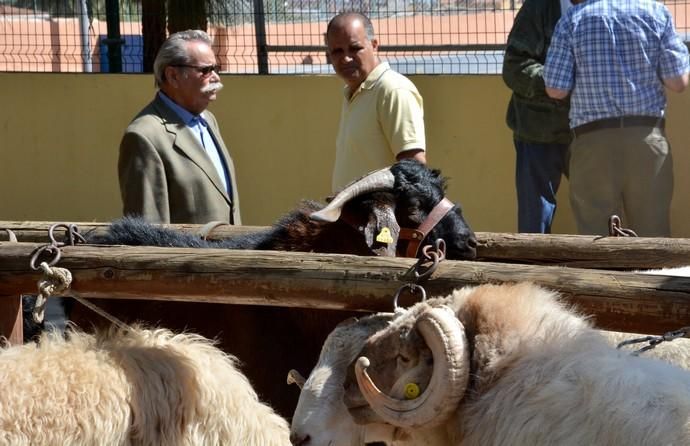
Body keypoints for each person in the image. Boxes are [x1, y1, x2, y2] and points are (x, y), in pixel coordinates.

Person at [544, 0, 689, 237]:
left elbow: (555, 89)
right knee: (653, 236)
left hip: (592, 143)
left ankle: (603, 275)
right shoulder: (656, 12)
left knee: (596, 236)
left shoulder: (573, 19)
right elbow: (678, 82)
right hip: (647, 140)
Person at [119, 29, 241, 224]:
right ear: (173, 76)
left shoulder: (208, 120)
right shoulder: (144, 136)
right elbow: (149, 230)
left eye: (215, 69)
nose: (216, 78)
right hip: (187, 255)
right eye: (205, 70)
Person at [325, 12, 427, 192]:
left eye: (355, 48)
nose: (346, 58)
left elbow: (414, 169)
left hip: (380, 218)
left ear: (374, 45)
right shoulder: (354, 92)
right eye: (337, 51)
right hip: (353, 218)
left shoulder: (393, 90)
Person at [502, 0, 572, 234]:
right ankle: (532, 269)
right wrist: (555, 81)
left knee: (598, 212)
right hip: (537, 132)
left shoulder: (605, 8)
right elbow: (514, 67)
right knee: (535, 220)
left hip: (587, 129)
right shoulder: (539, 7)